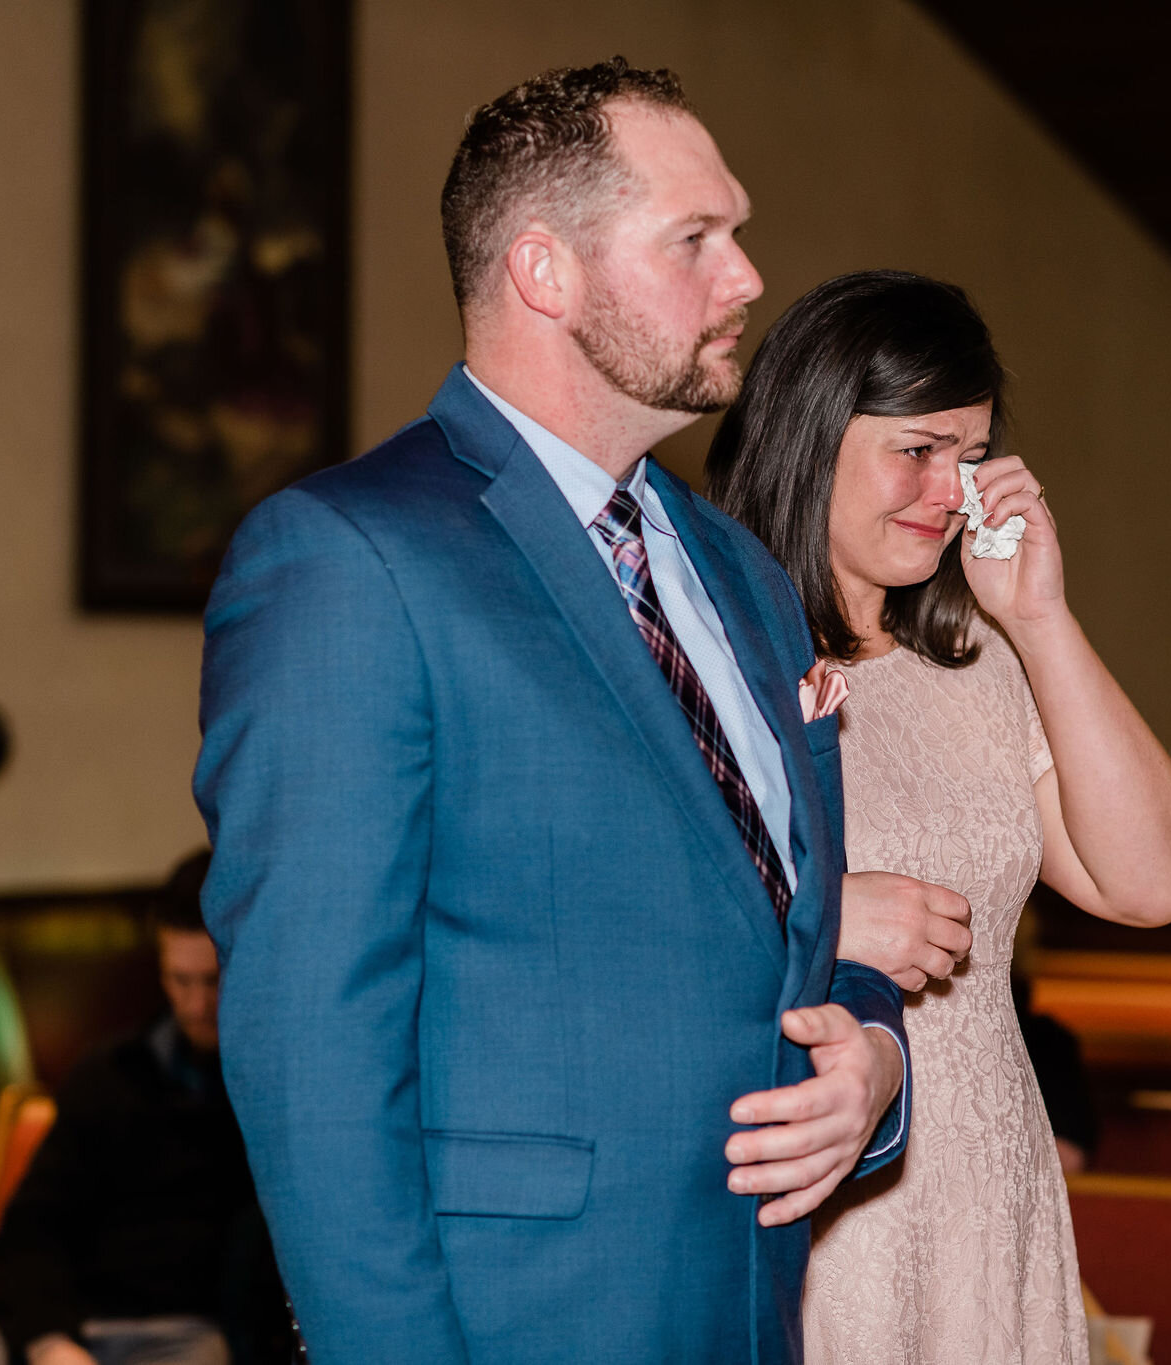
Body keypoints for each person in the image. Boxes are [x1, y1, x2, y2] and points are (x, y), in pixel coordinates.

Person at [193, 60, 910, 1364]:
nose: (747, 275)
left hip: (748, 1315)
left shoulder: (742, 573)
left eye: (736, 232)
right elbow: (314, 1054)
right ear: (545, 272)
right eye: (697, 238)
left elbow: (788, 930)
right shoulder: (350, 559)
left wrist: (871, 1051)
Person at [707, 270, 1171, 1365]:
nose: (949, 491)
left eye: (971, 458)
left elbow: (1154, 882)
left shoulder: (972, 666)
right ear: (813, 433)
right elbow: (622, 912)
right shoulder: (715, 661)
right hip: (830, 1194)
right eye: (918, 450)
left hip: (990, 1184)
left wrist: (1039, 619)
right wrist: (826, 913)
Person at [0, 850, 289, 1365]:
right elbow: (30, 1231)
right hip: (70, 1329)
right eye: (179, 980)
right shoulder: (108, 1073)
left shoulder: (277, 1094)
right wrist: (50, 1343)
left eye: (213, 981)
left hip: (189, 1338)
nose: (196, 1005)